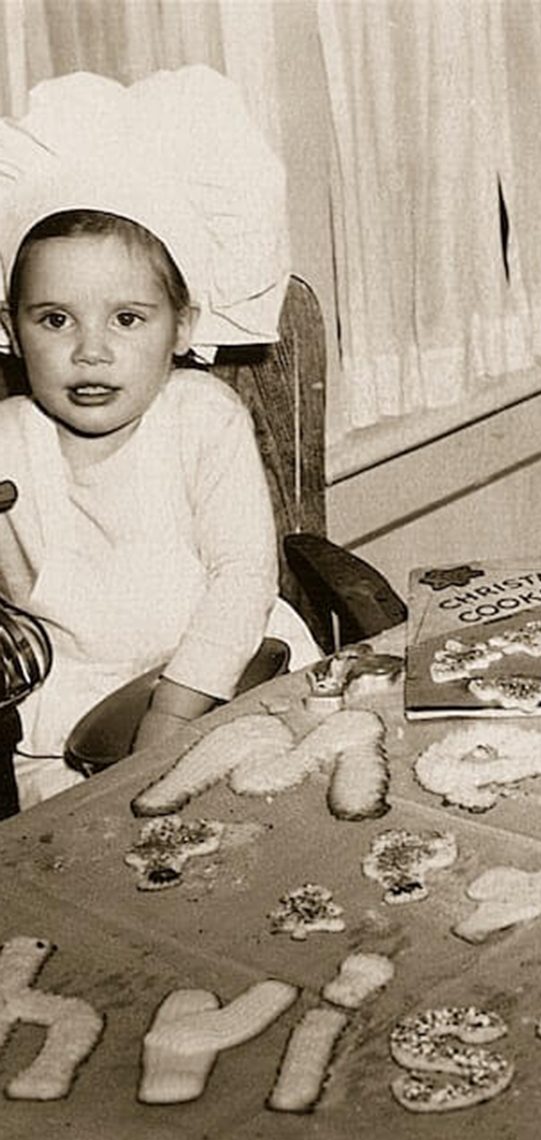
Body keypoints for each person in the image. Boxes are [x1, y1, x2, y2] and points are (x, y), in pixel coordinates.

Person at [0, 67, 320, 808]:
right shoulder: (10, 438)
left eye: (126, 318)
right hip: (69, 709)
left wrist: (176, 706)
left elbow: (243, 575)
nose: (90, 351)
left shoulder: (201, 419)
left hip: (228, 671)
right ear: (9, 332)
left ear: (184, 327)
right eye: (55, 319)